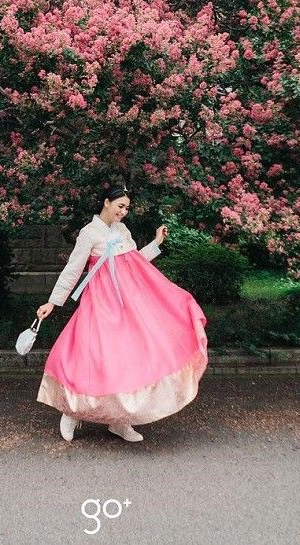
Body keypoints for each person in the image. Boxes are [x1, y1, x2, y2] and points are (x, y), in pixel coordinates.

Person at [35, 185, 208, 443]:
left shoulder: (122, 231)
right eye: (120, 206)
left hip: (127, 303)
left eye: (127, 208)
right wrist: (53, 301)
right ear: (106, 202)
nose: (124, 212)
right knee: (92, 355)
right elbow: (73, 269)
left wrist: (156, 243)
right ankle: (71, 412)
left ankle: (121, 422)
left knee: (128, 358)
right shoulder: (89, 233)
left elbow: (135, 261)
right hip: (100, 302)